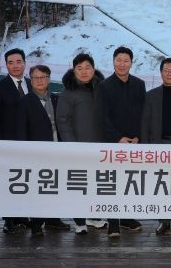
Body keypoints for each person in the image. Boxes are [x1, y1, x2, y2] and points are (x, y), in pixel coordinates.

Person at [96, 46, 146, 237]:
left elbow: (143, 114)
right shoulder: (104, 86)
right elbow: (102, 117)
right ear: (113, 61)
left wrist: (138, 136)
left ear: (131, 63)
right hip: (112, 142)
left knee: (129, 181)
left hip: (134, 143)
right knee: (112, 182)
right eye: (119, 60)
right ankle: (113, 222)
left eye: (126, 61)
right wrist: (117, 138)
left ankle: (125, 217)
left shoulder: (139, 84)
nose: (122, 64)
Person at [56, 53, 107, 234]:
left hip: (100, 147)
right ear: (74, 70)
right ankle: (79, 220)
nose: (84, 71)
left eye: (87, 67)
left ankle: (94, 216)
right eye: (79, 68)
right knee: (79, 184)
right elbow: (62, 120)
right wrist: (72, 145)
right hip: (78, 147)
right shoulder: (68, 92)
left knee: (97, 183)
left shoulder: (102, 88)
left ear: (94, 69)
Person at [140, 58, 171, 235]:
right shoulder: (151, 95)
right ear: (161, 73)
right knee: (161, 186)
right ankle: (163, 221)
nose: (169, 73)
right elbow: (145, 122)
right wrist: (145, 147)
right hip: (159, 146)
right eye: (166, 70)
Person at [17, 65, 67, 236]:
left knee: (55, 186)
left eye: (43, 77)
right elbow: (21, 130)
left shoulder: (56, 99)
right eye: (35, 78)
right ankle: (37, 223)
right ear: (31, 80)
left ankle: (53, 219)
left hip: (57, 150)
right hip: (35, 153)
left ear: (49, 79)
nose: (39, 80)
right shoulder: (24, 102)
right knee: (38, 188)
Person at [0, 48, 33, 233]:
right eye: (11, 62)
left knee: (27, 181)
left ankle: (23, 215)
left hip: (31, 144)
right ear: (6, 65)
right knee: (9, 182)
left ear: (25, 63)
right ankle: (9, 219)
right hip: (8, 144)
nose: (15, 66)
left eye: (18, 62)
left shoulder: (32, 84)